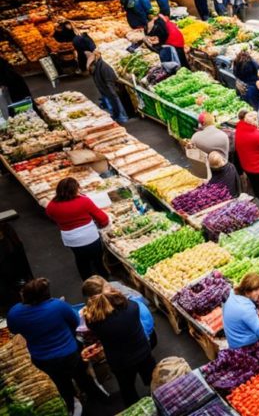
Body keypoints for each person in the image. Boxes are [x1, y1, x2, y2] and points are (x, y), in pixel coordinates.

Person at [8, 279, 97, 415]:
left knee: (61, 384)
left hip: (43, 359)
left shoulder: (15, 313)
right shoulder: (58, 306)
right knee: (82, 376)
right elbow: (75, 322)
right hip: (69, 353)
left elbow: (14, 330)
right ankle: (96, 398)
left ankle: (72, 406)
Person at [81, 284, 156, 407]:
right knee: (153, 379)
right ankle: (159, 398)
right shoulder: (133, 307)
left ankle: (137, 410)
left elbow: (92, 325)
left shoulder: (93, 321)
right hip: (143, 353)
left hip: (120, 362)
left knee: (128, 390)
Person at [45, 178, 109, 281]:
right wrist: (102, 225)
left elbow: (50, 215)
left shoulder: (52, 205)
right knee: (98, 260)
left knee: (81, 260)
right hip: (89, 236)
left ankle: (87, 282)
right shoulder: (84, 201)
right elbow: (103, 218)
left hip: (71, 239)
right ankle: (104, 279)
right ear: (75, 189)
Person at [223, 273, 259, 349]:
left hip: (233, 340)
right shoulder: (246, 308)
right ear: (254, 292)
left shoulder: (232, 293)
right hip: (243, 345)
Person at [88, 51, 128, 124]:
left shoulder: (104, 67)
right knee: (113, 104)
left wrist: (112, 91)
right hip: (105, 90)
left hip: (110, 90)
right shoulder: (97, 67)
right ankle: (118, 117)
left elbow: (110, 80)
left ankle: (122, 118)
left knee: (116, 103)